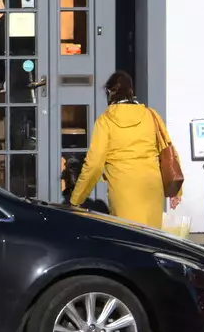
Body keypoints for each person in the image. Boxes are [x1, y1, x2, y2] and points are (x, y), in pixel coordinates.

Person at [68, 70, 180, 228]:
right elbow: (169, 151)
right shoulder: (151, 115)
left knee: (130, 242)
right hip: (152, 188)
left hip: (123, 190)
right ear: (131, 91)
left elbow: (94, 164)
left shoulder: (105, 121)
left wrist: (76, 199)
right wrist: (176, 191)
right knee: (151, 242)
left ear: (110, 92)